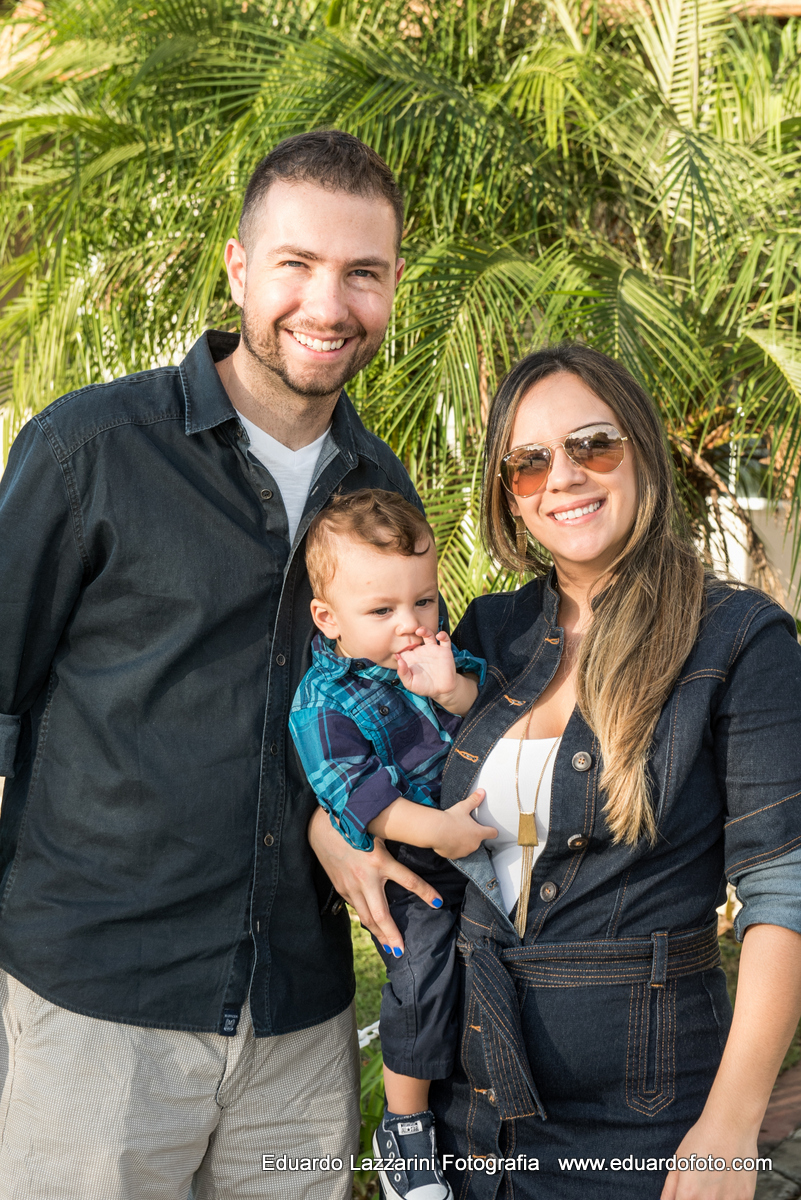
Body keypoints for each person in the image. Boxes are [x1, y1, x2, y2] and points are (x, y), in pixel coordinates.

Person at [0, 129, 439, 1200]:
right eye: (296, 264)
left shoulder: (381, 491)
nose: (327, 304)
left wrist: (335, 820)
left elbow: (373, 714)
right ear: (240, 268)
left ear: (392, 286)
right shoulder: (89, 452)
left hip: (298, 1014)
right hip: (100, 1009)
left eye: (362, 272)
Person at [419, 343, 801, 1200]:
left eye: (591, 445)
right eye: (528, 463)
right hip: (473, 1109)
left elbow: (783, 890)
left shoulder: (736, 638)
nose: (562, 477)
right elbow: (377, 757)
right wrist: (334, 835)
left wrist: (731, 1124)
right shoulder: (487, 633)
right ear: (507, 496)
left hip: (643, 1124)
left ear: (640, 450)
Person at [289, 488, 494, 1200]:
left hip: (472, 841)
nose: (411, 624)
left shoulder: (439, 656)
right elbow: (357, 795)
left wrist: (453, 692)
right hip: (411, 863)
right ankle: (404, 1128)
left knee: (493, 963)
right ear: (328, 618)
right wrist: (439, 831)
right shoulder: (324, 700)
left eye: (424, 601)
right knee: (424, 970)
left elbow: (494, 710)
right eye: (382, 611)